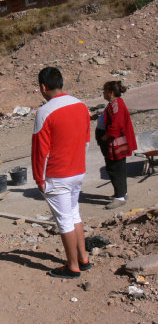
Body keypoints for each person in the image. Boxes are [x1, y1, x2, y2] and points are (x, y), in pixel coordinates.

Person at [32, 67, 91, 279]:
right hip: (78, 170)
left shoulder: (45, 112)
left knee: (64, 220)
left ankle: (72, 266)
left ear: (43, 87)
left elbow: (41, 151)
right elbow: (86, 140)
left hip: (58, 174)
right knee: (74, 213)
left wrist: (39, 178)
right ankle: (83, 258)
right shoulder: (81, 105)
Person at [100, 80, 137, 209]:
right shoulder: (114, 104)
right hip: (115, 141)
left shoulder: (117, 105)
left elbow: (116, 126)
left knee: (115, 169)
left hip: (116, 143)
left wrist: (105, 137)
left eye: (104, 91)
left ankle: (120, 197)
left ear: (110, 93)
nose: (103, 94)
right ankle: (121, 193)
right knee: (118, 168)